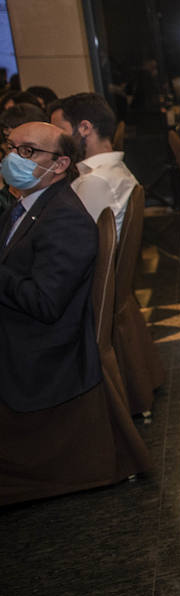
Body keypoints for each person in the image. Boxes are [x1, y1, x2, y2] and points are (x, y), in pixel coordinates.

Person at [0, 122, 100, 412]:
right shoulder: (24, 206)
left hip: (37, 358)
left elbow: (45, 303)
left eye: (27, 151)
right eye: (10, 148)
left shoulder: (65, 219)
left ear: (60, 164)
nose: (12, 158)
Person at [50, 92, 138, 236]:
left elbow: (71, 240)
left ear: (85, 128)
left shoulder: (95, 180)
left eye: (60, 132)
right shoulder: (111, 170)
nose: (56, 142)